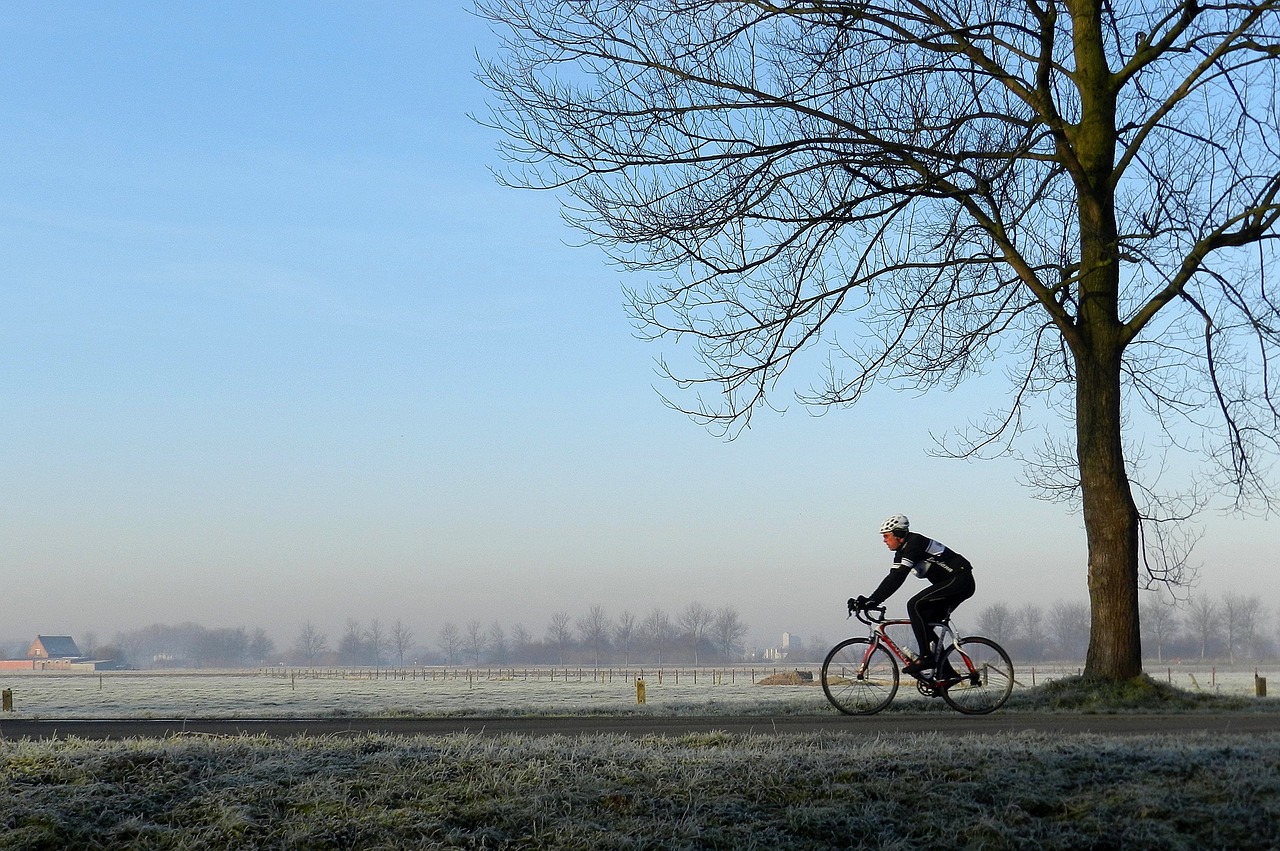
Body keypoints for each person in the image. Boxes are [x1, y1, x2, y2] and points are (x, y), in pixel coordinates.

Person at [850, 513, 975, 676]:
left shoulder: (914, 544)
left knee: (914, 605)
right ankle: (946, 673)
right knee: (924, 620)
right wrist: (870, 600)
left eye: (887, 536)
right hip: (953, 582)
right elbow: (892, 578)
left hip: (960, 579)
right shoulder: (902, 551)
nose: (884, 540)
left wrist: (873, 600)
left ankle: (926, 657)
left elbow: (898, 577)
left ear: (899, 535)